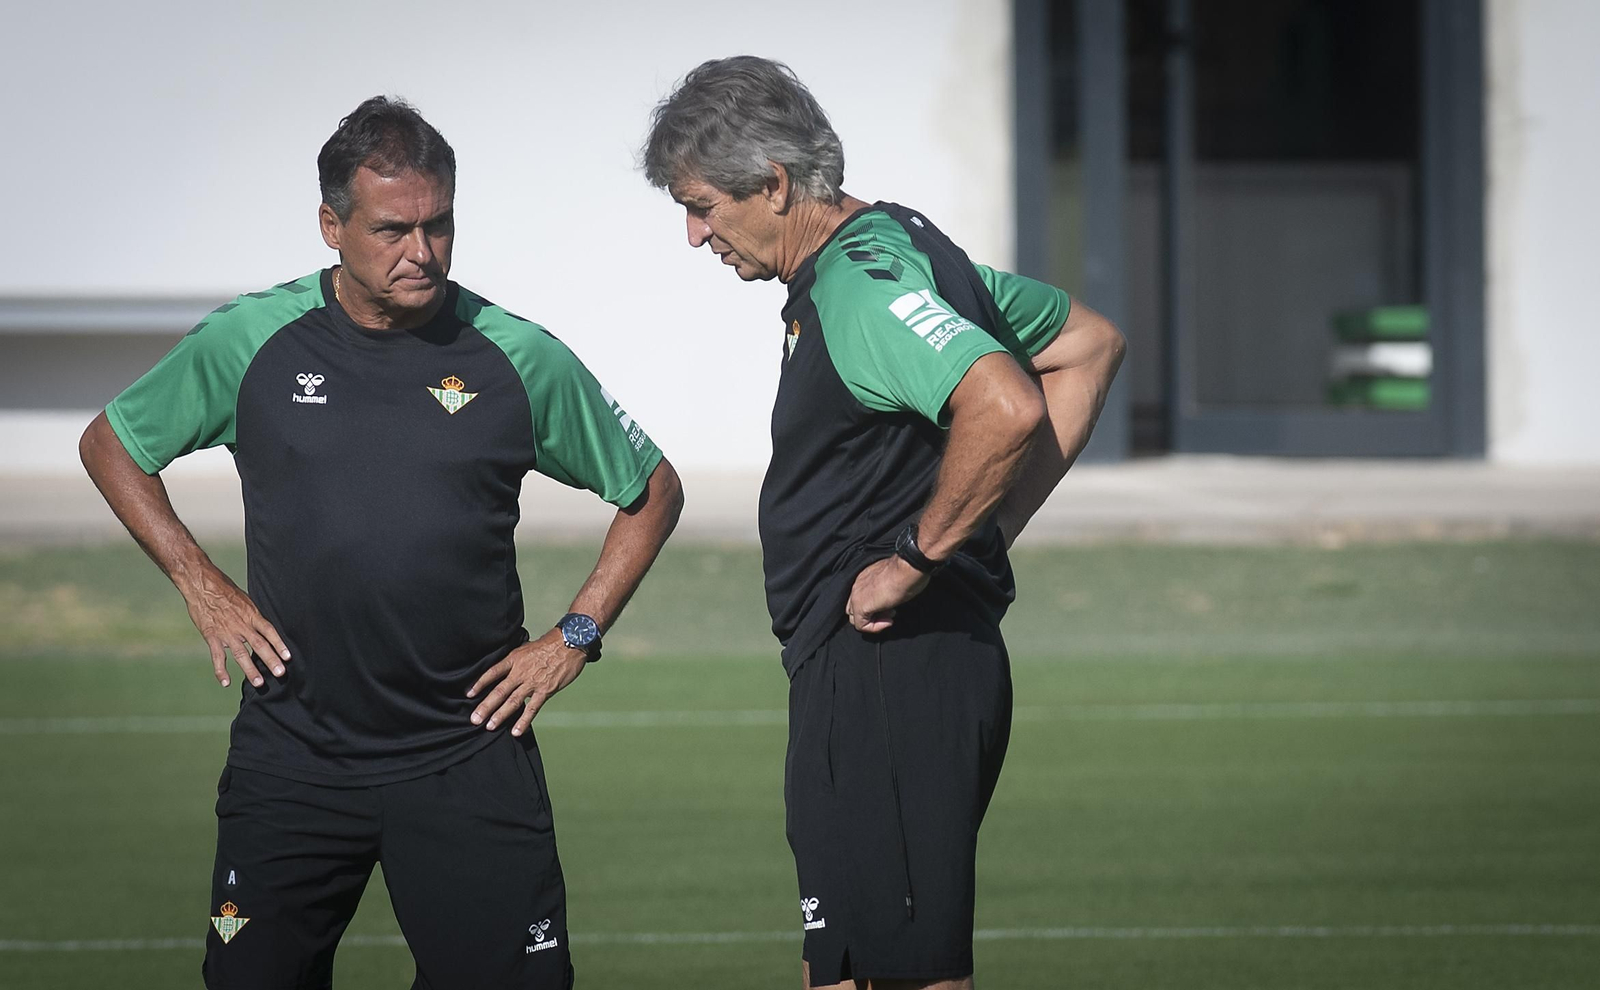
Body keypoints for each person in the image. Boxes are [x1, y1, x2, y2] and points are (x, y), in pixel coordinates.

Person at [79, 95, 682, 990]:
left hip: (470, 753)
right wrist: (199, 580)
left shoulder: (513, 354)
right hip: (294, 754)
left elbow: (652, 489)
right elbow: (112, 446)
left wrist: (575, 635)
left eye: (439, 226)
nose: (422, 252)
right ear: (331, 225)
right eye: (394, 229)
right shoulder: (252, 341)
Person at [642, 57, 1124, 990]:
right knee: (854, 966)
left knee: (904, 973)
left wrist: (920, 553)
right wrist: (984, 522)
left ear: (774, 185)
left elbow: (1008, 405)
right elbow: (1085, 347)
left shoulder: (858, 287)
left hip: (890, 671)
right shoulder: (899, 248)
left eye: (701, 206)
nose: (695, 235)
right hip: (885, 672)